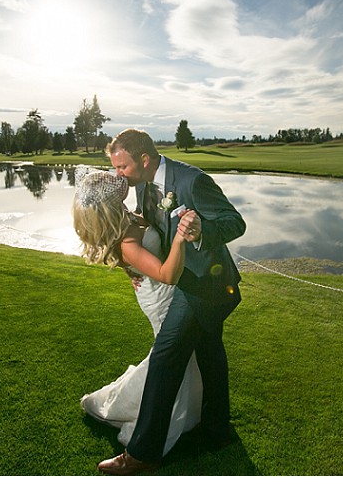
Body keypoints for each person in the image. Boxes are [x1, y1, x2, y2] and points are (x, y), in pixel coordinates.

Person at [98, 128, 246, 475]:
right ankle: (218, 431)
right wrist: (133, 263)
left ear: (144, 160)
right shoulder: (146, 188)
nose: (119, 174)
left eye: (122, 167)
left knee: (165, 358)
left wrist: (201, 232)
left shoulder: (192, 181)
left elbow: (235, 223)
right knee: (210, 354)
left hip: (205, 287)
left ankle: (143, 454)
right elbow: (156, 230)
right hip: (187, 283)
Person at [72, 169, 204, 458]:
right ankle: (151, 418)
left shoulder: (129, 217)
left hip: (160, 291)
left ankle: (188, 413)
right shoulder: (128, 243)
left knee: (178, 355)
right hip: (161, 296)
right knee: (170, 357)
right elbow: (167, 274)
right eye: (109, 183)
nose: (116, 179)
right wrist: (181, 238)